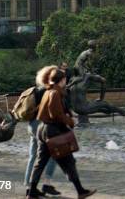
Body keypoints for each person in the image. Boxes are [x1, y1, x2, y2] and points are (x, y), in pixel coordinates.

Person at [27, 68, 95, 199]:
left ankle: (32, 192)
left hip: (43, 129)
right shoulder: (55, 93)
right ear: (62, 80)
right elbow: (56, 114)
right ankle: (81, 191)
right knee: (68, 161)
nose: (66, 81)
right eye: (65, 79)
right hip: (53, 131)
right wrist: (70, 121)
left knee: (40, 162)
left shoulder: (48, 91)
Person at [24, 66, 60, 196]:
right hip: (42, 126)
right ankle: (46, 184)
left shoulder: (36, 90)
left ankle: (29, 187)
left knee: (33, 156)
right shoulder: (49, 91)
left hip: (32, 125)